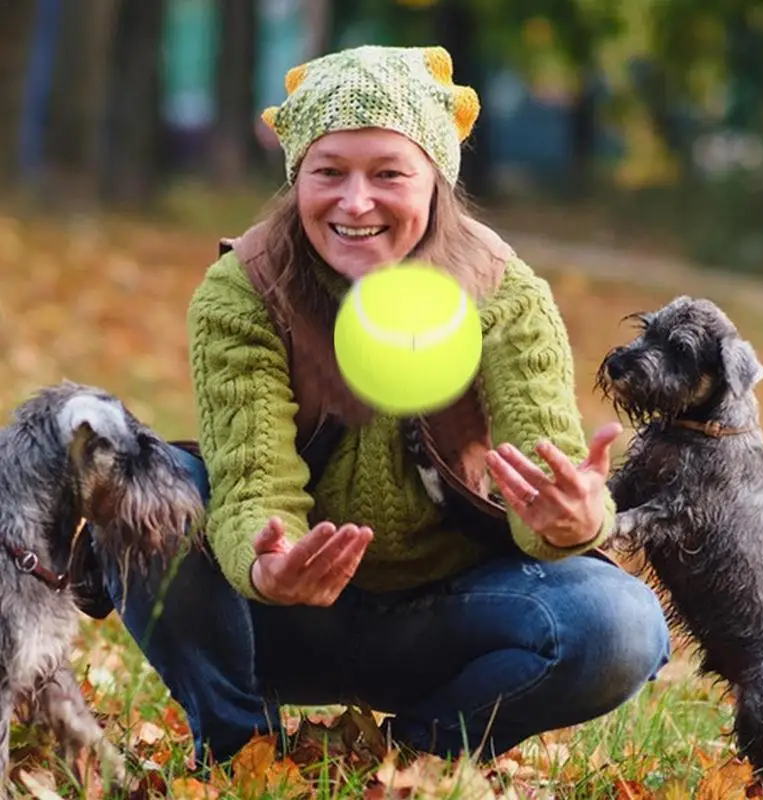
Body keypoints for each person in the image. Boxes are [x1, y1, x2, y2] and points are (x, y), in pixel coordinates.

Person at [97, 44, 670, 768]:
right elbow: (252, 482)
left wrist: (573, 520)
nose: (355, 202)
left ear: (434, 179)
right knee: (136, 500)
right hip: (281, 619)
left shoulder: (504, 294)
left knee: (620, 624)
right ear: (296, 176)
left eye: (388, 173)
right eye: (328, 172)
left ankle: (410, 756)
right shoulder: (245, 290)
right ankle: (245, 750)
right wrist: (265, 562)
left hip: (454, 617)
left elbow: (542, 490)